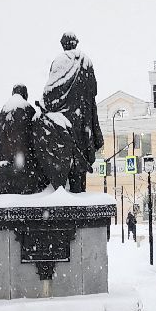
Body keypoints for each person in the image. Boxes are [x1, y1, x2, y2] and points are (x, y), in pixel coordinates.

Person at [40, 31, 103, 192]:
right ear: (76, 43)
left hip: (63, 122)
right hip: (82, 120)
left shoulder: (59, 61)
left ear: (63, 44)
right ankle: (78, 191)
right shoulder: (86, 61)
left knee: (62, 159)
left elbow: (49, 92)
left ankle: (60, 193)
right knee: (80, 164)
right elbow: (93, 89)